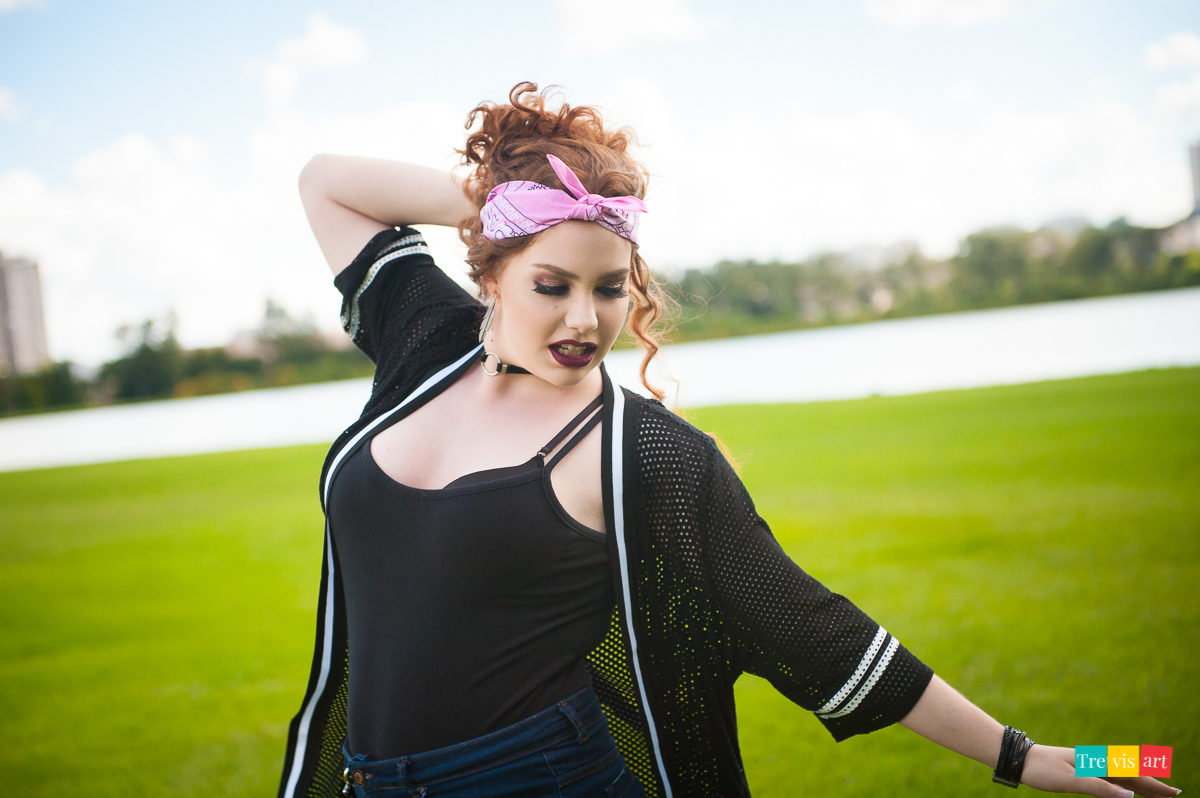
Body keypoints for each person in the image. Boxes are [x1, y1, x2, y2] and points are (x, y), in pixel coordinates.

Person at [277, 83, 1178, 798]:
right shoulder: (426, 339)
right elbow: (326, 181)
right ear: (493, 269)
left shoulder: (644, 455)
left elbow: (819, 630)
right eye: (551, 283)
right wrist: (507, 194)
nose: (585, 319)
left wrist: (1032, 757)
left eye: (609, 287)